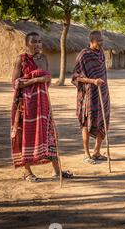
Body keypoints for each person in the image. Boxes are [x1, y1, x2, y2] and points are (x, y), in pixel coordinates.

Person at [11, 32, 72, 182]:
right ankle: (27, 172)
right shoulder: (21, 59)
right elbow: (15, 83)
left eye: (39, 41)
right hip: (25, 104)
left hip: (43, 102)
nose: (38, 44)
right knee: (25, 135)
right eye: (34, 42)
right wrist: (37, 79)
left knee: (49, 134)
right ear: (27, 44)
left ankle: (57, 171)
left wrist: (43, 81)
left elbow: (47, 80)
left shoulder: (44, 59)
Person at [71, 31, 110, 165]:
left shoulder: (101, 54)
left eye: (101, 40)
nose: (101, 42)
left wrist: (100, 84)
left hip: (103, 93)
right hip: (88, 94)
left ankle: (97, 152)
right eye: (98, 40)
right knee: (87, 123)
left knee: (103, 122)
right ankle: (86, 154)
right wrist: (92, 81)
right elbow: (76, 77)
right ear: (91, 41)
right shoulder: (84, 55)